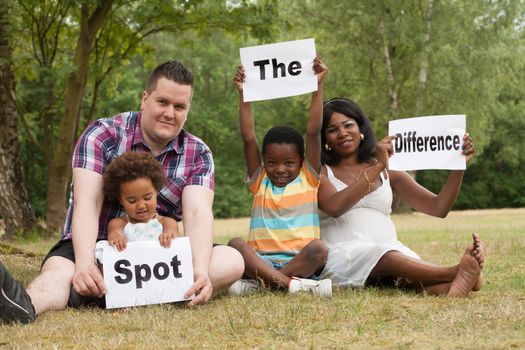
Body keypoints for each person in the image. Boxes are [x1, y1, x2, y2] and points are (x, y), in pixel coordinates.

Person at [0, 60, 244, 324]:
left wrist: (198, 269)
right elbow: (87, 204)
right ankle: (23, 307)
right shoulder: (103, 134)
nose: (170, 113)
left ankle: (111, 293)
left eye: (179, 107)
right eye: (162, 102)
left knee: (231, 260)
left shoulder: (198, 152)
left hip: (158, 256)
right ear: (145, 99)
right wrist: (84, 263)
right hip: (94, 246)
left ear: (188, 110)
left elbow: (198, 213)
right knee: (58, 274)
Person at [317, 97, 484, 297]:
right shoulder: (320, 172)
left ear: (360, 128)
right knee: (386, 256)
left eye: (347, 125)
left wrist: (458, 167)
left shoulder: (391, 171)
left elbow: (438, 207)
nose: (342, 133)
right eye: (332, 129)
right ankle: (457, 271)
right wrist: (378, 166)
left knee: (411, 279)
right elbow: (335, 207)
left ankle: (460, 282)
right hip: (344, 255)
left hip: (392, 252)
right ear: (324, 138)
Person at [227, 57, 332, 298]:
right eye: (272, 163)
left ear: (302, 161)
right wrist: (243, 94)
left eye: (289, 163)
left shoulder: (308, 177)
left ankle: (263, 285)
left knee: (319, 248)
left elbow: (314, 132)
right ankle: (290, 286)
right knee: (235, 244)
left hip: (301, 263)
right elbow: (248, 138)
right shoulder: (260, 179)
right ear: (264, 161)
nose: (280, 169)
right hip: (260, 261)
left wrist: (318, 87)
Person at [94, 151, 179, 264]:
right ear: (121, 200)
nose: (141, 205)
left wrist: (168, 236)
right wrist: (116, 238)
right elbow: (115, 234)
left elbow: (173, 236)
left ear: (156, 192)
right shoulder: (119, 223)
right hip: (130, 272)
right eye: (132, 201)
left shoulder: (166, 222)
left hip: (160, 270)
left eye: (147, 198)